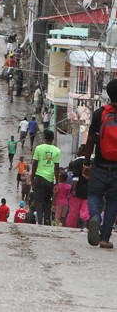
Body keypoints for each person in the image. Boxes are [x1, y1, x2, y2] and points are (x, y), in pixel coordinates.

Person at [83, 79, 117, 248]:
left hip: (100, 164)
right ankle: (104, 238)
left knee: (94, 195)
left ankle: (95, 217)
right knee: (113, 202)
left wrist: (86, 163)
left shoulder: (100, 113)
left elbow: (90, 140)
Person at [31, 129, 61, 225]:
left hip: (39, 178)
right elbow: (57, 168)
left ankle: (40, 221)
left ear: (44, 138)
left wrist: (32, 178)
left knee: (39, 200)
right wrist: (56, 182)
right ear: (53, 139)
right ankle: (47, 220)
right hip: (50, 180)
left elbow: (34, 164)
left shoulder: (39, 148)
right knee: (48, 201)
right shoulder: (57, 150)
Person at [66, 145, 90, 229]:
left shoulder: (77, 161)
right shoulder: (92, 161)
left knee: (74, 211)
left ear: (83, 151)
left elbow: (76, 177)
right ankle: (87, 223)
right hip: (89, 190)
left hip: (78, 190)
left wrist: (73, 189)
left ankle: (71, 227)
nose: (77, 151)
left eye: (79, 149)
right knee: (85, 209)